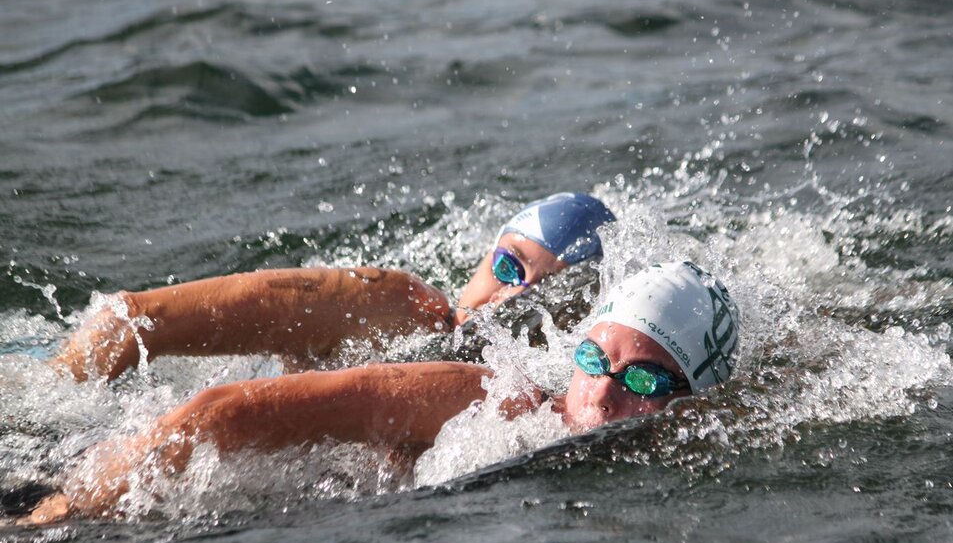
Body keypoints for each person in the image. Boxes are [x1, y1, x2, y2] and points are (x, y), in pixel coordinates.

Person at [26, 261, 740, 523]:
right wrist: (64, 507)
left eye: (643, 379)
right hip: (71, 472)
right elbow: (219, 414)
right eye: (594, 358)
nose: (604, 396)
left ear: (691, 400)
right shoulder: (491, 400)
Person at [52, 192, 616, 382]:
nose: (510, 299)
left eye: (547, 297)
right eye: (509, 267)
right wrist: (47, 400)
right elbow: (129, 322)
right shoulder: (396, 306)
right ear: (483, 256)